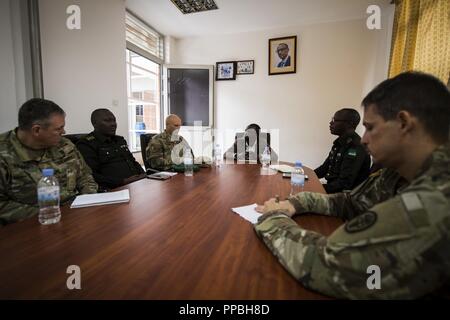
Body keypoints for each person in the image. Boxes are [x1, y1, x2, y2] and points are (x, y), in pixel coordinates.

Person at [254, 71, 450, 299]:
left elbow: (327, 265)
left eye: (371, 127)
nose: (364, 138)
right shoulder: (394, 173)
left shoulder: (437, 198)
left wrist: (272, 219)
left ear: (404, 123)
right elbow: (349, 201)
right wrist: (295, 203)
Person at [0, 98, 98, 225]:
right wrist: (47, 214)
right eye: (59, 129)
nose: (64, 132)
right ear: (36, 130)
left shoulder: (64, 145)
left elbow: (84, 175)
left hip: (76, 216)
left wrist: (88, 201)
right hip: (31, 226)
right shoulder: (4, 154)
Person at [76, 109, 146, 190]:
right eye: (107, 121)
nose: (113, 124)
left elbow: (132, 161)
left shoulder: (120, 140)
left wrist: (143, 174)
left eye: (114, 120)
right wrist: (123, 181)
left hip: (135, 185)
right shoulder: (86, 144)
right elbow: (92, 175)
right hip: (112, 189)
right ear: (94, 123)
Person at [314, 108, 371, 193]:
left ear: (349, 124)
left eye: (335, 120)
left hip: (346, 197)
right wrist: (304, 176)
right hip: (333, 189)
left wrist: (315, 188)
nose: (331, 123)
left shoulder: (355, 147)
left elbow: (344, 184)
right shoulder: (339, 143)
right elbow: (324, 169)